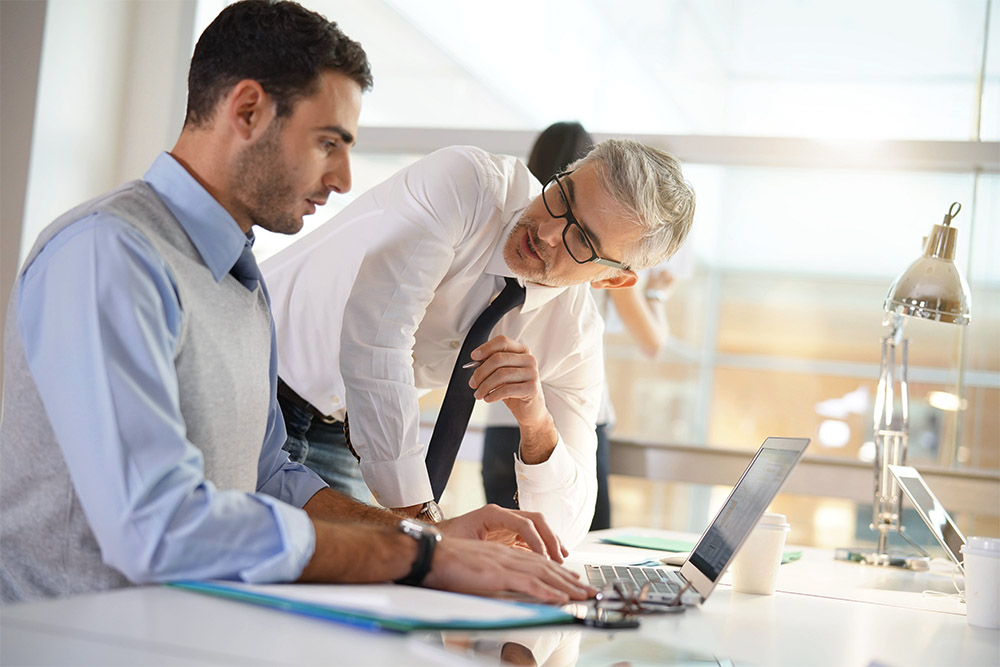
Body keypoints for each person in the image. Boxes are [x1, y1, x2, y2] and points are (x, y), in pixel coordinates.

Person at [0, 0, 592, 605]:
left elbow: (271, 480)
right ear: (249, 111)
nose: (343, 178)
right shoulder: (110, 255)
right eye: (328, 142)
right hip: (75, 633)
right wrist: (417, 556)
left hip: (181, 630)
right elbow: (158, 526)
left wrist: (432, 537)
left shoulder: (241, 281)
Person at [262, 129, 696, 547]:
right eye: (562, 197)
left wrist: (537, 420)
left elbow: (567, 524)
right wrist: (427, 527)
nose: (546, 232)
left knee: (348, 594)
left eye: (581, 240)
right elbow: (377, 341)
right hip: (255, 374)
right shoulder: (465, 183)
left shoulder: (573, 333)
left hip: (340, 430)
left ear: (614, 280)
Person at [482, 122, 676, 531]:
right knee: (564, 551)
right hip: (566, 427)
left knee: (505, 549)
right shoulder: (604, 242)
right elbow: (652, 341)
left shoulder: (523, 229)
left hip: (498, 420)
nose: (562, 235)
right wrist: (657, 296)